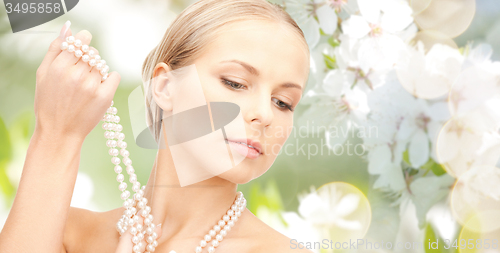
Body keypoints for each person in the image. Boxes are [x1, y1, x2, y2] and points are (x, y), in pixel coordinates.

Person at [0, 0, 312, 252]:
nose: (265, 115)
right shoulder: (69, 236)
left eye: (283, 102)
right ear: (165, 86)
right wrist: (57, 133)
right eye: (236, 83)